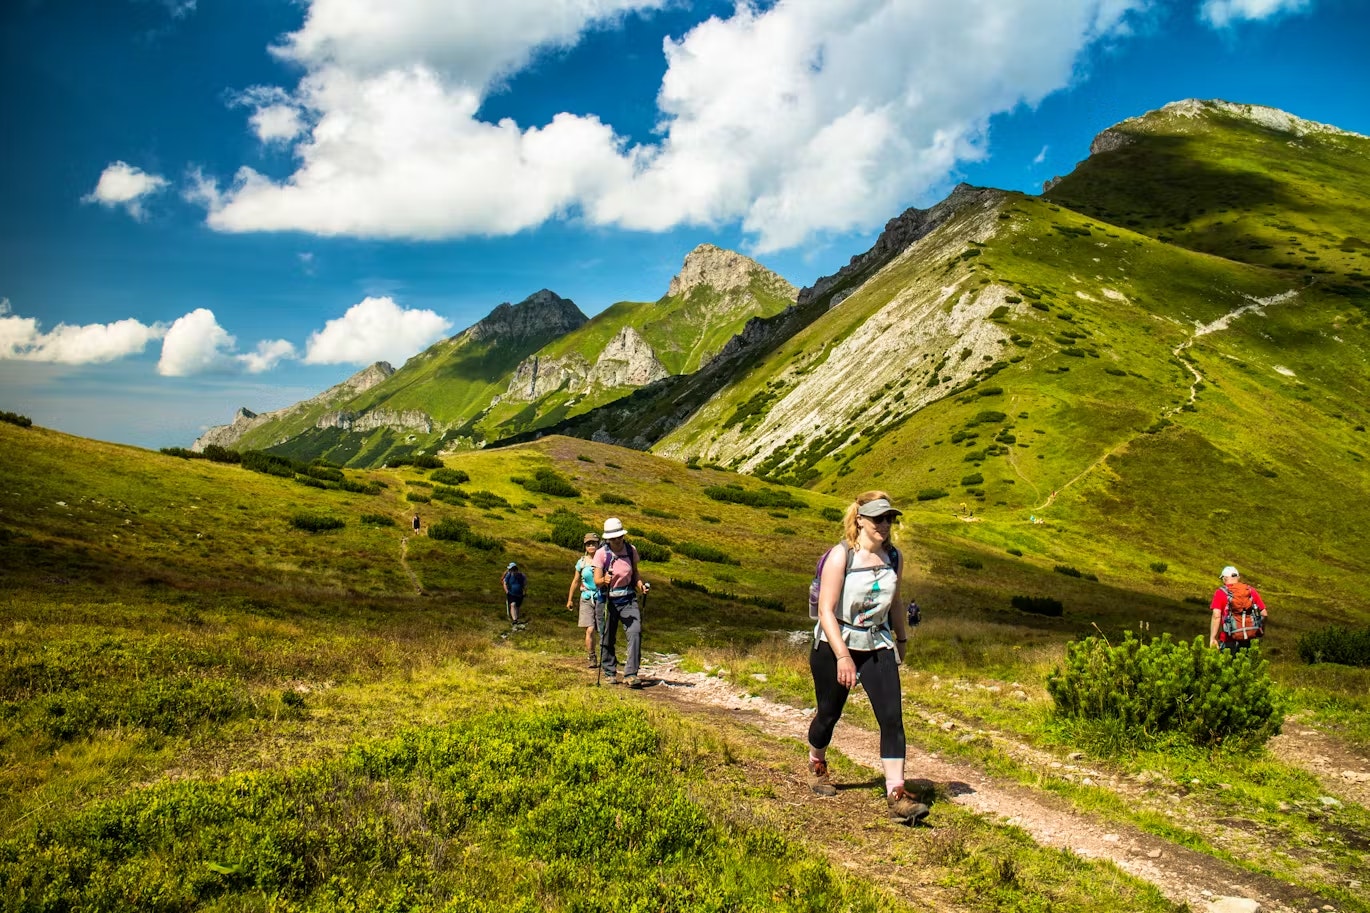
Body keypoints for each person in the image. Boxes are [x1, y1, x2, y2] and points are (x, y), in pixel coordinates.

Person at [807, 491, 927, 825]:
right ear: (860, 519)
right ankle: (817, 761)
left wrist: (901, 639)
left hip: (877, 644)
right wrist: (843, 656)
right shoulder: (840, 556)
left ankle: (896, 793)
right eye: (878, 518)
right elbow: (826, 613)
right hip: (836, 643)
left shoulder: (895, 558)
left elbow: (897, 601)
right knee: (828, 715)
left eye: (889, 518)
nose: (885, 525)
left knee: (892, 717)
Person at [594, 517, 649, 687]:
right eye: (613, 538)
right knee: (607, 636)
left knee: (635, 632)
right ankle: (609, 671)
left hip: (628, 598)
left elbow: (635, 573)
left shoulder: (630, 550)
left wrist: (640, 584)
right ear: (608, 539)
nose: (617, 541)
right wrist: (605, 579)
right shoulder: (601, 553)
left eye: (619, 537)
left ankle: (631, 673)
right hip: (607, 599)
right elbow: (597, 580)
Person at [1209, 565, 1267, 653]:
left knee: (1227, 665)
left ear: (1224, 579)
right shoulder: (1250, 591)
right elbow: (1264, 614)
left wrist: (1213, 638)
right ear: (1238, 577)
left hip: (1228, 640)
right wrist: (1260, 631)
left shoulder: (1220, 593)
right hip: (1250, 639)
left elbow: (1216, 616)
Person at [566, 531, 603, 668]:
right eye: (588, 543)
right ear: (585, 546)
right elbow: (575, 581)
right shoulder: (581, 562)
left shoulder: (605, 560)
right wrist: (570, 599)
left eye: (594, 543)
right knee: (590, 629)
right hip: (587, 598)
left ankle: (607, 656)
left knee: (603, 629)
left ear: (599, 544)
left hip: (601, 598)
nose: (591, 545)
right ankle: (592, 656)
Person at [502, 561, 528, 629]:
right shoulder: (508, 575)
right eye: (510, 570)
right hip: (511, 593)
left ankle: (516, 619)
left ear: (515, 569)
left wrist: (525, 592)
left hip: (519, 594)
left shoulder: (522, 575)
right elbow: (504, 583)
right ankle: (515, 620)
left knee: (517, 607)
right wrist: (507, 591)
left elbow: (525, 584)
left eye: (512, 570)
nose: (511, 571)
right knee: (513, 604)